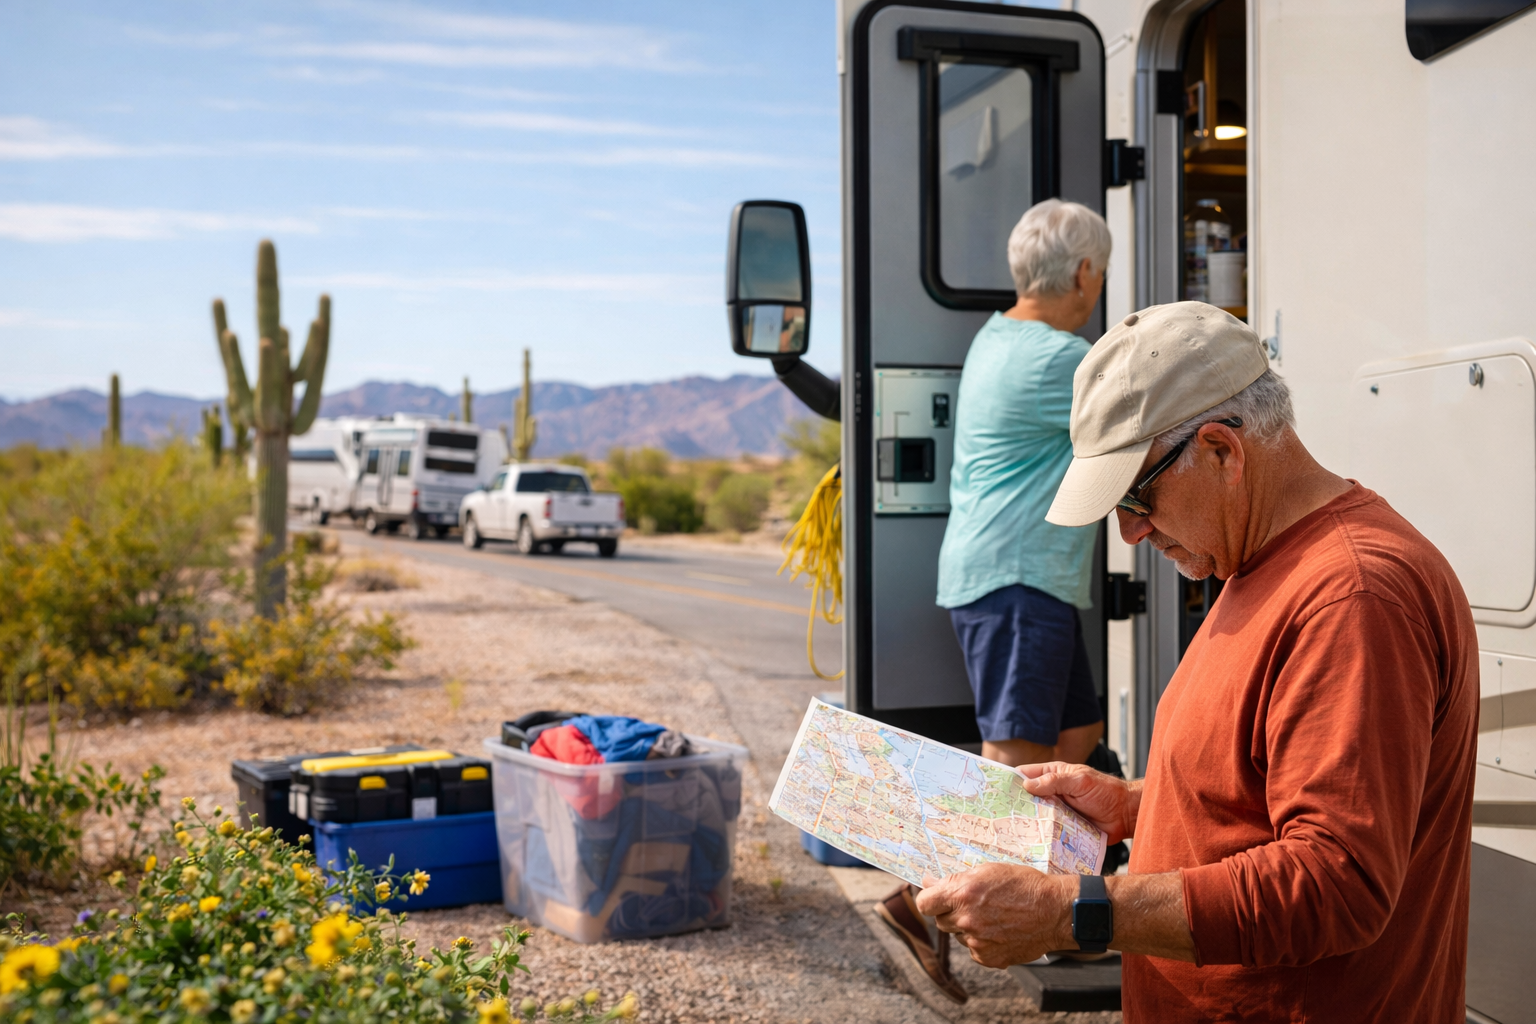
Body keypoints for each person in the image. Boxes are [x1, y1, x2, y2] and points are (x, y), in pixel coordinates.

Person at [915, 301, 1478, 1022]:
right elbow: (1266, 793)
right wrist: (1133, 806)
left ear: (1222, 450)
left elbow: (1336, 882)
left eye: (1136, 496)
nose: (1129, 532)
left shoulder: (1352, 596)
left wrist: (1071, 912)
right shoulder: (1260, 558)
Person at [876, 199, 1114, 1004]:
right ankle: (918, 904)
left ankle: (1070, 916)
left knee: (1077, 741)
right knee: (1013, 773)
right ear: (1084, 273)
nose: (1101, 285)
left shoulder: (996, 337)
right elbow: (1139, 421)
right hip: (1017, 582)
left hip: (1023, 579)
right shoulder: (1057, 358)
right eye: (1102, 272)